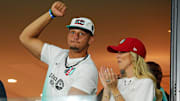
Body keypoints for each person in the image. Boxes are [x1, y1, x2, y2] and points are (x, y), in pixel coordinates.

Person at [19, 1, 98, 100]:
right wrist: (50, 14)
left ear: (90, 40)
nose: (75, 37)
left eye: (81, 34)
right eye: (72, 32)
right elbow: (25, 37)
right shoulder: (58, 54)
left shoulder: (88, 69)